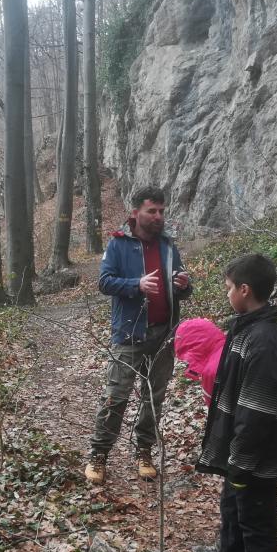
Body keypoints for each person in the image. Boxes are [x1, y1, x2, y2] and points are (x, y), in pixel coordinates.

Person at [187, 253, 277, 552]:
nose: (227, 294)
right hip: (240, 456)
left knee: (256, 526)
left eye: (229, 288)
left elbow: (257, 410)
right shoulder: (245, 329)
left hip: (256, 459)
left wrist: (242, 460)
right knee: (233, 515)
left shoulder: (265, 340)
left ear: (245, 290)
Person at [175, 317, 277, 552]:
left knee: (239, 492)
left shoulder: (211, 371)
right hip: (275, 424)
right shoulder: (237, 349)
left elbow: (220, 415)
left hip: (246, 435)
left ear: (191, 347)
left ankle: (232, 547)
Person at [86, 186, 192, 485]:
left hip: (163, 334)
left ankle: (144, 451)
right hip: (129, 334)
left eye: (161, 211)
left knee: (153, 398)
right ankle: (99, 454)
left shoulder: (168, 245)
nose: (158, 216)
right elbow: (104, 282)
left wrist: (183, 285)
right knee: (116, 396)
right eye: (152, 211)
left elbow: (182, 286)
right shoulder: (118, 244)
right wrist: (136, 284)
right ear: (135, 213)